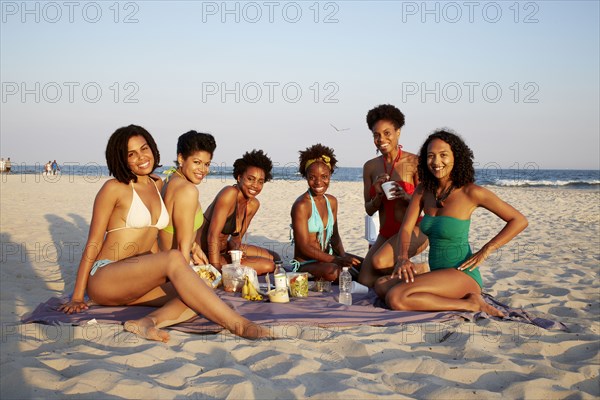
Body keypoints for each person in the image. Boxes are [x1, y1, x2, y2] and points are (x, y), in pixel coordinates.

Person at [58, 125, 272, 342]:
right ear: (121, 158)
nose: (141, 157)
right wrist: (77, 296)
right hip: (106, 277)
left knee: (198, 291)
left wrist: (194, 246)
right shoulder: (113, 188)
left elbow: (156, 232)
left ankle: (148, 322)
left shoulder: (157, 183)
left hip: (136, 279)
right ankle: (241, 326)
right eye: (132, 154)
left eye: (144, 149)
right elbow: (93, 242)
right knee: (175, 259)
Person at [374, 130, 528, 316]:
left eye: (443, 155)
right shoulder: (424, 191)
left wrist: (486, 250)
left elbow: (518, 220)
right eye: (431, 156)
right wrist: (403, 258)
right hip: (438, 272)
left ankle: (473, 304)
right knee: (381, 286)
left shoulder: (471, 192)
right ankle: (424, 274)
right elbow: (406, 228)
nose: (436, 162)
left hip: (462, 273)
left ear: (457, 157)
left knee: (396, 298)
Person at [358, 104, 428, 288]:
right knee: (365, 281)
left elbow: (428, 204)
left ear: (398, 132)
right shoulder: (370, 167)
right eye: (376, 135)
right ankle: (407, 275)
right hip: (386, 232)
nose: (381, 139)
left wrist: (407, 197)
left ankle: (423, 269)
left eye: (387, 133)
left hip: (415, 230)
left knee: (379, 263)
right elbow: (369, 208)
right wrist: (378, 195)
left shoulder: (414, 162)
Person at [290, 144, 362, 281]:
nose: (318, 182)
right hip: (307, 263)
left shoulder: (332, 202)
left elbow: (334, 236)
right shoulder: (301, 205)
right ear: (305, 177)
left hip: (329, 257)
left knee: (365, 265)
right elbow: (303, 246)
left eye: (324, 176)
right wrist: (336, 260)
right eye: (312, 177)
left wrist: (343, 258)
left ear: (330, 175)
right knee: (335, 272)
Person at [200, 149, 279, 274]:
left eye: (260, 182)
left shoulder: (253, 204)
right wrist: (215, 270)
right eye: (250, 179)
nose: (255, 185)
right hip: (205, 253)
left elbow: (237, 238)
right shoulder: (229, 193)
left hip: (226, 250)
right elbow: (212, 235)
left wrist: (237, 252)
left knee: (274, 257)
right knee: (269, 265)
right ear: (239, 177)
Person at [158, 130, 214, 264]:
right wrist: (189, 281)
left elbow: (175, 231)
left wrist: (194, 247)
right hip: (170, 268)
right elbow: (182, 249)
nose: (203, 169)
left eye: (206, 164)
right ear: (181, 158)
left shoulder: (169, 180)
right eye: (197, 162)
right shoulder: (187, 190)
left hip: (163, 261)